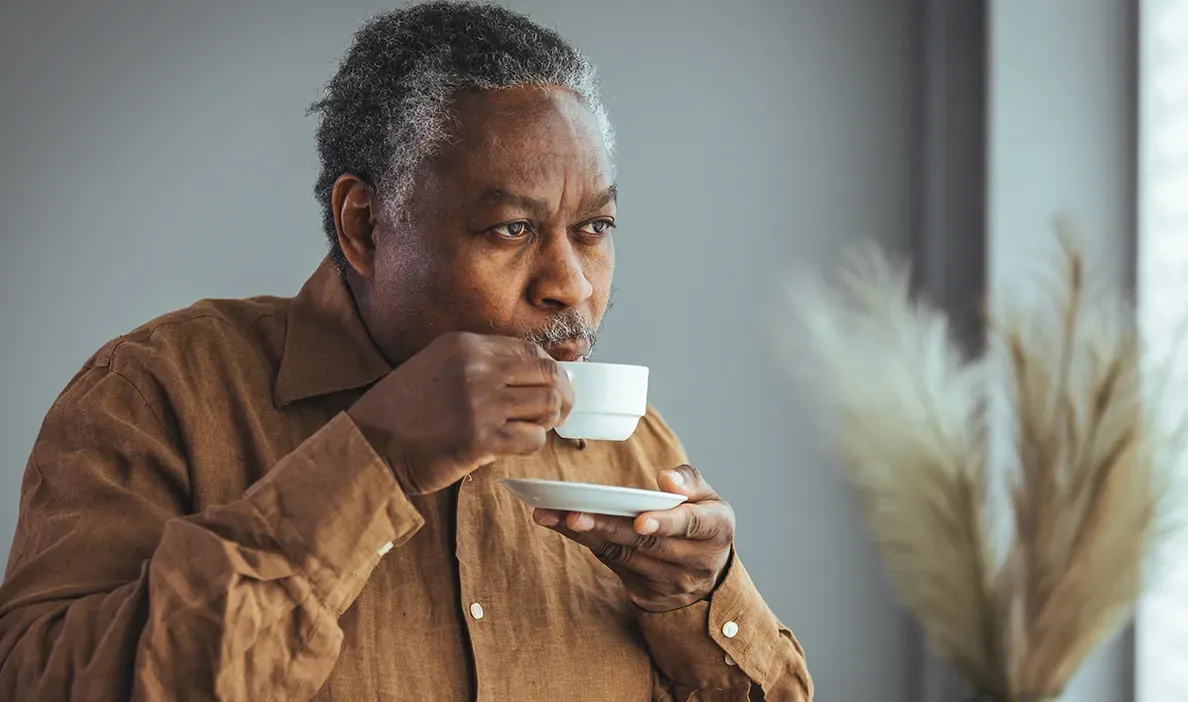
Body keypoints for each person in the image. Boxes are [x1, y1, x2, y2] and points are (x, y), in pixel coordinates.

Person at [0, 2, 812, 700]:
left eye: (594, 228)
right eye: (513, 230)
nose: (571, 286)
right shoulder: (160, 396)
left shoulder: (632, 454)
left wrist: (700, 599)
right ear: (363, 224)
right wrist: (373, 459)